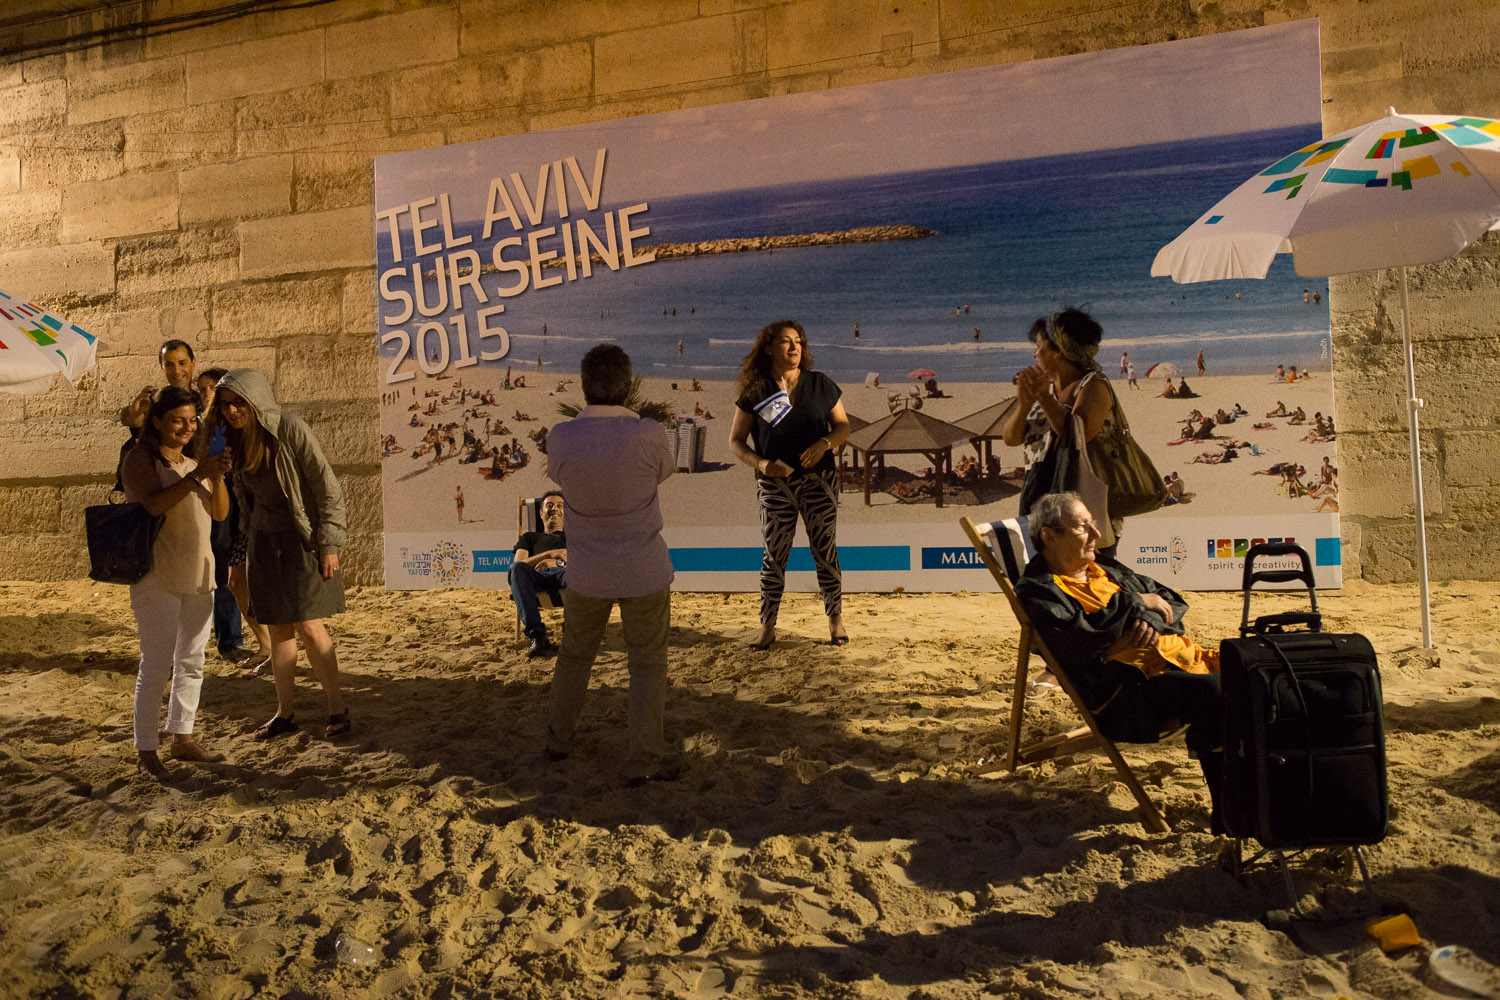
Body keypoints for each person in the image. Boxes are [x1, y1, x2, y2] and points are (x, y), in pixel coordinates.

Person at [1015, 492, 1225, 831]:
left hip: (1179, 661)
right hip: (1129, 693)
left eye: (1093, 524)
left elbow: (1170, 602)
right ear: (1050, 537)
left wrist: (1149, 617)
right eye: (1083, 528)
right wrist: (1135, 603)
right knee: (1220, 694)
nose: (1097, 534)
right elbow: (1078, 641)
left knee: (1261, 671)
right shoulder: (1039, 591)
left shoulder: (1102, 568)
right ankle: (1229, 811)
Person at [543, 345, 676, 784]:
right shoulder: (648, 433)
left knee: (575, 657)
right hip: (642, 566)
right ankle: (644, 756)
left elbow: (559, 476)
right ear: (628, 385)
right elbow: (664, 472)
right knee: (647, 663)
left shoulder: (562, 437)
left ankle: (558, 740)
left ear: (584, 386)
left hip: (587, 569)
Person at [213, 369, 351, 740]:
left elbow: (326, 485)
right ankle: (284, 712)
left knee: (308, 624)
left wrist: (329, 544)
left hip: (299, 538)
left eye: (239, 402)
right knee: (278, 629)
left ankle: (337, 706)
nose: (232, 411)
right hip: (263, 539)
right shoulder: (232, 440)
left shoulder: (289, 429)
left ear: (256, 399)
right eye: (225, 405)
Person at [120, 386, 233, 779]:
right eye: (177, 420)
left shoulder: (193, 462)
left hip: (199, 572)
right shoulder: (140, 459)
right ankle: (146, 747)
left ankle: (182, 736)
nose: (186, 427)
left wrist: (214, 476)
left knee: (192, 661)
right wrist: (197, 474)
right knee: (156, 664)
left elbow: (219, 514)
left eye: (191, 420)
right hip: (157, 574)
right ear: (157, 422)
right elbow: (152, 503)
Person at [728, 320, 852, 649]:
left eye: (798, 341)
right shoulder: (757, 390)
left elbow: (843, 426)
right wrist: (762, 463)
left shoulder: (821, 384)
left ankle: (835, 621)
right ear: (769, 348)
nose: (794, 347)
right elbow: (736, 442)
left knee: (825, 551)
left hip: (819, 482)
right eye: (786, 342)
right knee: (774, 556)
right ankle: (767, 627)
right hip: (775, 487)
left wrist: (825, 443)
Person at [511, 490, 567, 657]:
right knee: (516, 570)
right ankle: (538, 637)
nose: (554, 509)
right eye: (549, 505)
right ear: (541, 513)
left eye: (559, 505)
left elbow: (582, 563)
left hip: (565, 574)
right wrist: (548, 554)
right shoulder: (530, 537)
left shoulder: (574, 537)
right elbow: (519, 563)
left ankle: (573, 631)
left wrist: (556, 562)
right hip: (538, 578)